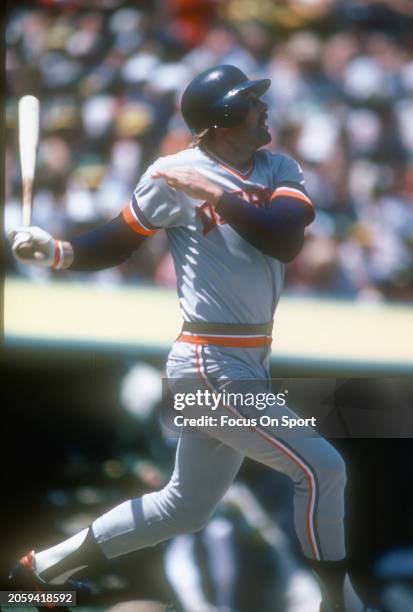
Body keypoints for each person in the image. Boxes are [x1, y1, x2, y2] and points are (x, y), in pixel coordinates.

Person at [8, 65, 376, 612]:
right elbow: (116, 242)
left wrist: (214, 193)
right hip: (208, 360)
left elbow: (284, 239)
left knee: (184, 508)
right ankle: (336, 604)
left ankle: (38, 573)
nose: (264, 108)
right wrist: (56, 251)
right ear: (225, 116)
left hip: (248, 360)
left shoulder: (278, 166)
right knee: (323, 469)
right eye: (252, 102)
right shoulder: (171, 172)